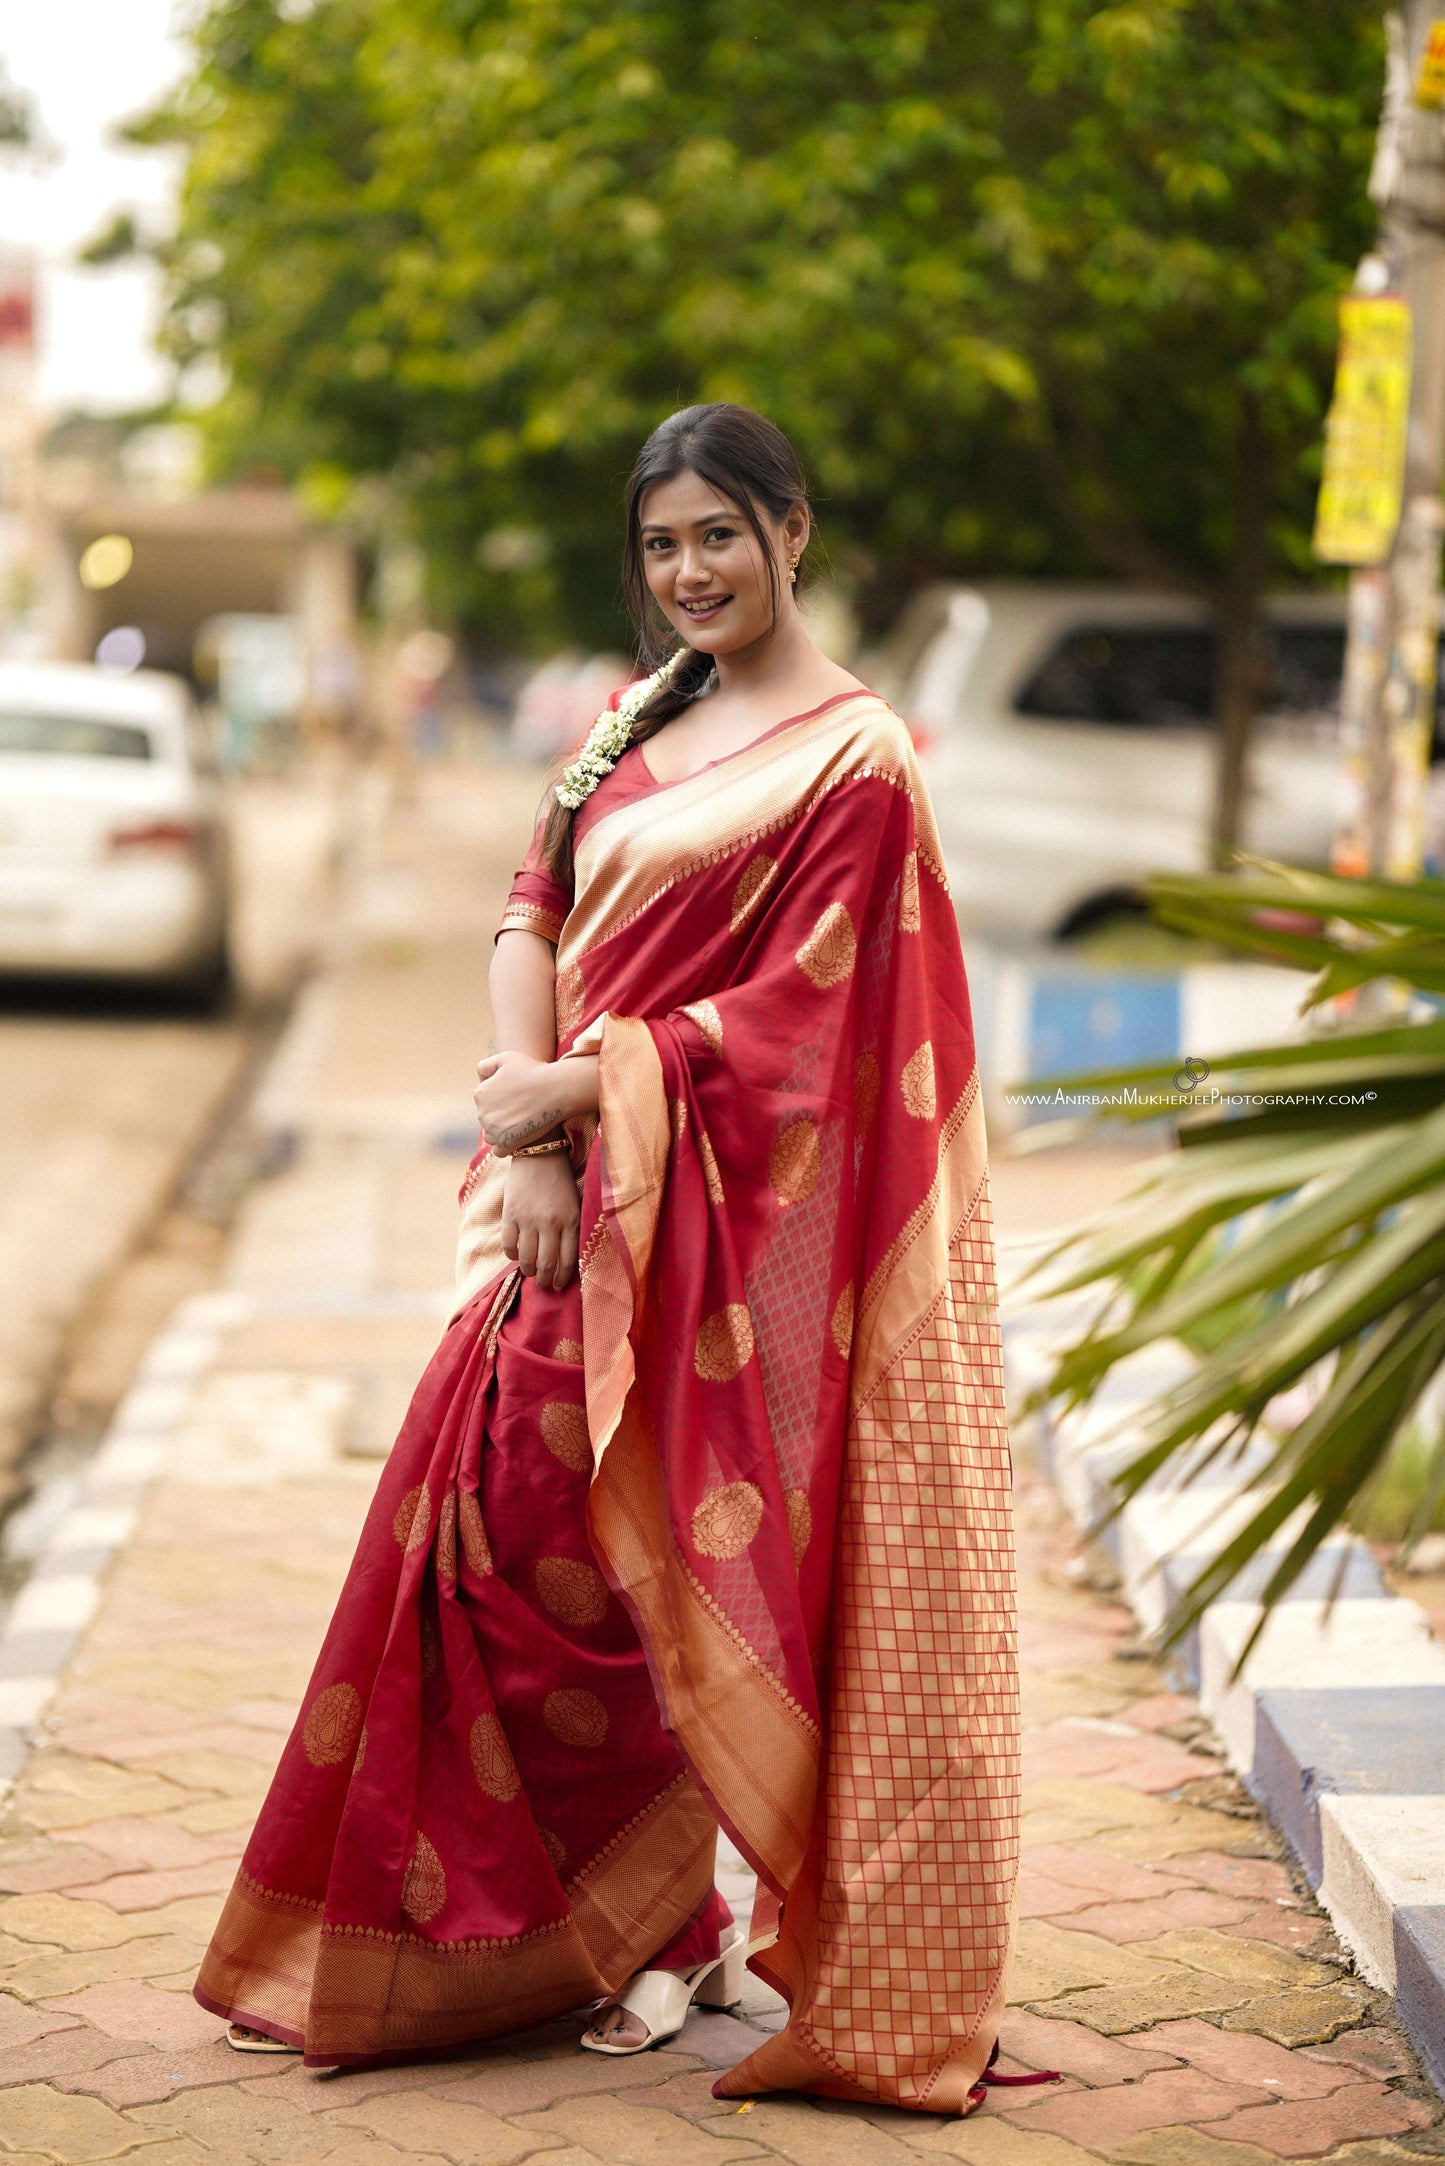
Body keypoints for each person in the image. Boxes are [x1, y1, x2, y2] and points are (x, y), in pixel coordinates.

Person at [195, 402, 1021, 2113]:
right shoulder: (644, 720)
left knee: (625, 1560)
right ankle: (583, 1923)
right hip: (573, 1203)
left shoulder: (856, 758)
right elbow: (531, 908)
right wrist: (543, 1131)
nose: (689, 569)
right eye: (660, 544)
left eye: (720, 531)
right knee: (501, 1534)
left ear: (793, 530)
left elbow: (812, 1023)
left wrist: (585, 1083)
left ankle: (667, 1925)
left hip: (721, 1241)